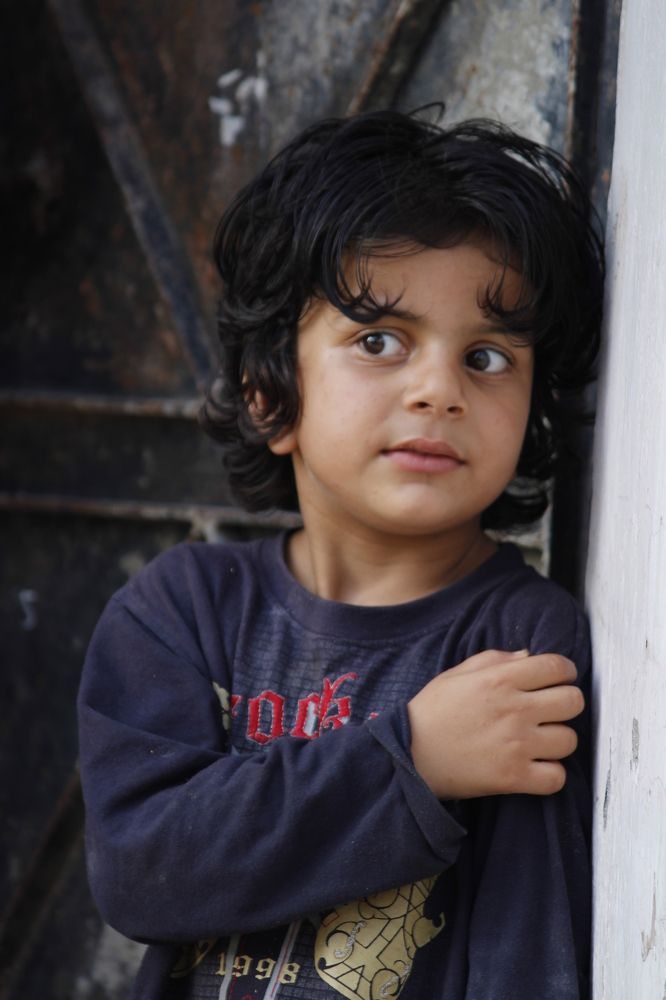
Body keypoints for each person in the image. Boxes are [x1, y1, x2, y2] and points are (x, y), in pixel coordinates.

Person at [78, 108, 604, 1000]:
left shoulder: (523, 646)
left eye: (486, 357)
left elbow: (528, 954)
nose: (438, 389)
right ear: (270, 395)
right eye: (378, 340)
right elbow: (143, 868)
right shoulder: (181, 612)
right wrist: (413, 758)